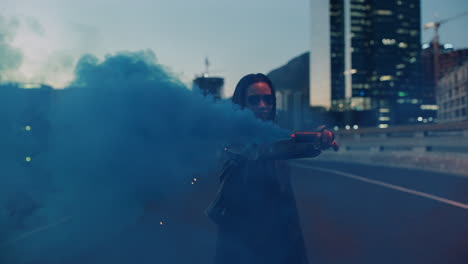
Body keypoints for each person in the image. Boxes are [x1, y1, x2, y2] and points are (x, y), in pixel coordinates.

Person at [206, 73, 337, 264]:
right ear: (241, 103)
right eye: (254, 100)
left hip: (281, 234)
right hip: (242, 238)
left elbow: (280, 146)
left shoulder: (273, 134)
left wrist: (317, 140)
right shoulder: (232, 138)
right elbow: (262, 150)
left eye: (267, 99)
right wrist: (312, 141)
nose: (262, 105)